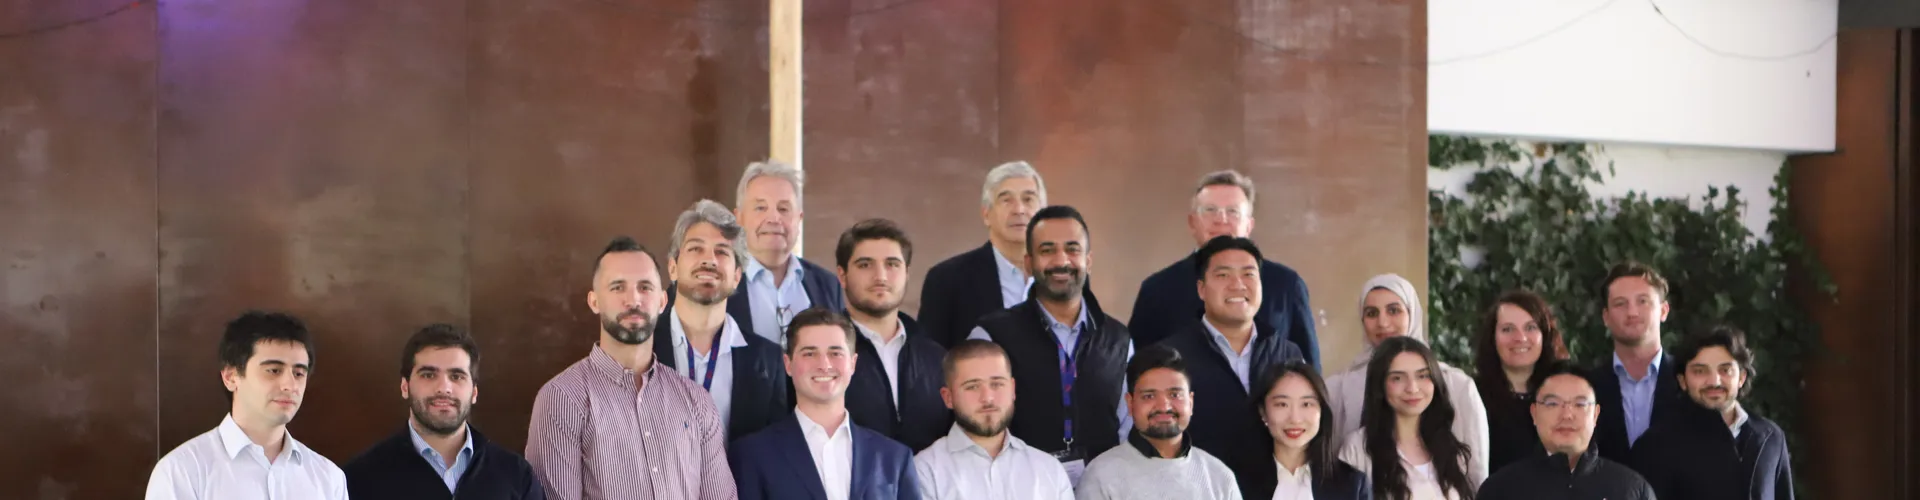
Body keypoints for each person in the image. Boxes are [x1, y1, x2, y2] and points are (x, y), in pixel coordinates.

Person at [525, 236, 735, 500]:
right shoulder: (562, 399)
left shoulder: (696, 401)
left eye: (645, 287)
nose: (633, 299)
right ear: (594, 301)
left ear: (661, 302)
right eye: (617, 287)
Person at [966, 205, 1135, 482]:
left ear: (1088, 260)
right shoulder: (992, 335)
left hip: (1100, 489)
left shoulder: (1118, 339)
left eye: (1072, 249)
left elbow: (1128, 428)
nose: (1061, 260)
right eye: (1047, 250)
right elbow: (976, 427)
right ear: (1029, 263)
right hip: (1018, 488)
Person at [1155, 235, 1304, 496]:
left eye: (1248, 274)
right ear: (1201, 289)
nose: (1238, 285)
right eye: (1223, 275)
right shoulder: (1169, 358)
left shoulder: (1287, 353)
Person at [146, 311, 348, 500]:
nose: (290, 386)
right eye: (273, 370)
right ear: (231, 377)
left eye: (298, 373)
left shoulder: (328, 478)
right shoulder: (182, 471)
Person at [1128, 170, 1318, 369]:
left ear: (1249, 225)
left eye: (1233, 212)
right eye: (1210, 210)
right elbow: (1138, 372)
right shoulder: (1158, 289)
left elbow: (1310, 372)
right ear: (1192, 222)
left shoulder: (1286, 284)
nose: (1221, 220)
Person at [730, 308, 921, 500]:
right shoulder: (752, 455)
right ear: (788, 364)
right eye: (809, 353)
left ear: (853, 363)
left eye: (835, 353)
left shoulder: (895, 458)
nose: (824, 364)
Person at [344, 324, 543, 499]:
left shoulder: (515, 474)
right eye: (429, 375)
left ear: (474, 392)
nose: (444, 388)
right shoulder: (361, 477)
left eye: (456, 376)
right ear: (405, 387)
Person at [1325, 274, 1488, 480]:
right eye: (1371, 313)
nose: (1382, 323)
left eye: (1394, 310)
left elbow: (1477, 472)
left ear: (1413, 313)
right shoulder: (1340, 387)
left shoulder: (1457, 385)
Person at [651, 200, 790, 440]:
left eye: (722, 251)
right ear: (672, 268)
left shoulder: (769, 361)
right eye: (696, 249)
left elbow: (773, 453)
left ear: (737, 276)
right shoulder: (639, 349)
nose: (710, 260)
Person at [1631, 325, 1795, 500]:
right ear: (1682, 380)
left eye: (1725, 370)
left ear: (1741, 377)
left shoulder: (1770, 437)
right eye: (1700, 371)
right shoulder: (1655, 445)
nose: (1714, 381)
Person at [838, 219, 952, 451]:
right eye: (865, 265)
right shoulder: (824, 355)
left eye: (892, 264)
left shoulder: (936, 357)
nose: (880, 276)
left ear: (907, 273)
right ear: (842, 276)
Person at [914, 340, 1075, 500]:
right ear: (948, 397)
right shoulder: (925, 471)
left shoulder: (1049, 469)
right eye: (972, 386)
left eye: (997, 384)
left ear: (1012, 389)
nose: (988, 398)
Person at [1075, 345, 1241, 500]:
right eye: (1149, 396)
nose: (1164, 406)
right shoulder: (1101, 476)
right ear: (1130, 404)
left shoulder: (1218, 476)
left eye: (1174, 395)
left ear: (1190, 403)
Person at [1477, 361, 1655, 500]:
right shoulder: (1499, 490)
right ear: (1534, 413)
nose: (1567, 415)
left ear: (1595, 415)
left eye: (1580, 404)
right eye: (1553, 403)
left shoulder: (1632, 490)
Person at [1336, 337, 1480, 500]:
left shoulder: (1449, 447)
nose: (1412, 388)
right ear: (1380, 385)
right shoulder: (1358, 449)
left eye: (1423, 376)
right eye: (1397, 378)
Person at [920, 161, 1046, 348]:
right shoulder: (947, 280)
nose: (1019, 209)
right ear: (986, 214)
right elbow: (929, 362)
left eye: (1028, 199)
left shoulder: (1061, 275)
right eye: (1006, 200)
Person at [725, 160, 847, 345]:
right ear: (739, 218)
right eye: (760, 207)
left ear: (799, 219)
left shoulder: (827, 285)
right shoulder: (720, 284)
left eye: (783, 209)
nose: (774, 218)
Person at [1588, 262, 1684, 465]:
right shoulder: (1587, 387)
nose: (1632, 312)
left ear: (1664, 310)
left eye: (1643, 301)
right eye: (1620, 304)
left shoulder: (1689, 381)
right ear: (1606, 316)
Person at [1469, 290, 1569, 473]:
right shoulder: (1472, 396)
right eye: (1508, 329)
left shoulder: (1567, 391)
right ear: (1492, 338)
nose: (1520, 338)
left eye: (1530, 327)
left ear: (1545, 335)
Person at [1252, 361, 1370, 500]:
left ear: (1322, 410)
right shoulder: (1236, 480)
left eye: (1306, 404)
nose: (1295, 419)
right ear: (1263, 412)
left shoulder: (1353, 484)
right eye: (1282, 404)